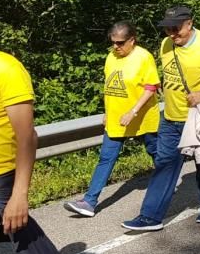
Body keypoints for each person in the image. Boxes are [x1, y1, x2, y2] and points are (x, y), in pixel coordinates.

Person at [122, 5, 200, 231]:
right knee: (164, 164)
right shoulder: (166, 44)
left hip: (196, 118)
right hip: (171, 116)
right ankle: (150, 217)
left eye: (177, 29)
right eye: (168, 30)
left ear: (190, 23)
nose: (172, 34)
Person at [0, 49, 67, 254]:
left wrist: (19, 195)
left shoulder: (5, 68)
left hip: (1, 179)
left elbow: (27, 136)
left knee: (23, 239)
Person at [64, 22, 159, 217]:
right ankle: (89, 202)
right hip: (117, 119)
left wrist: (133, 111)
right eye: (113, 43)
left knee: (155, 152)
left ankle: (166, 182)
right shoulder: (111, 57)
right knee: (106, 158)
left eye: (120, 43)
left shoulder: (144, 57)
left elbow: (151, 87)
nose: (116, 47)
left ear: (132, 40)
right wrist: (108, 112)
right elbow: (109, 88)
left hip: (142, 117)